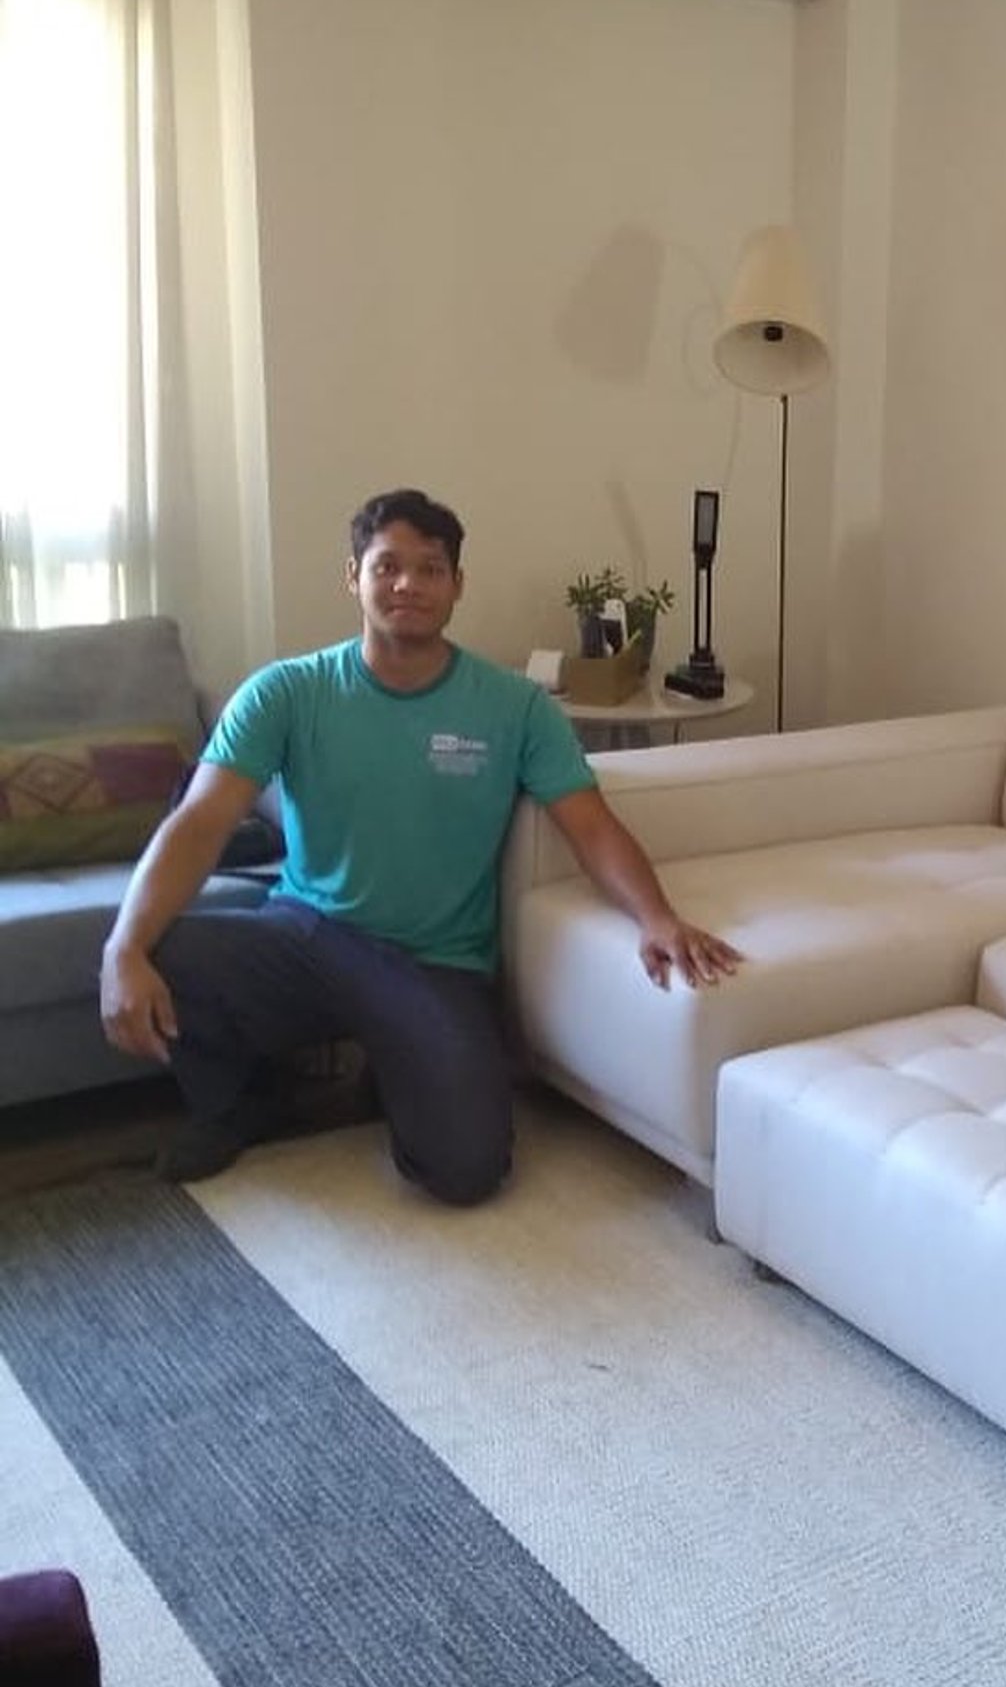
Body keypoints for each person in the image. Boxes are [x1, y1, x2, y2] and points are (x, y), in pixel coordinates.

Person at [99, 487, 740, 1204]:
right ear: (354, 578)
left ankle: (394, 1067)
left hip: (434, 963)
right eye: (387, 567)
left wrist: (655, 916)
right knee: (152, 944)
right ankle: (240, 1100)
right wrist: (123, 946)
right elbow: (199, 824)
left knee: (466, 1170)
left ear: (457, 586)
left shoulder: (514, 706)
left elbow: (590, 825)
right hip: (308, 935)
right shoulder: (286, 691)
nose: (407, 584)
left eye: (430, 569)